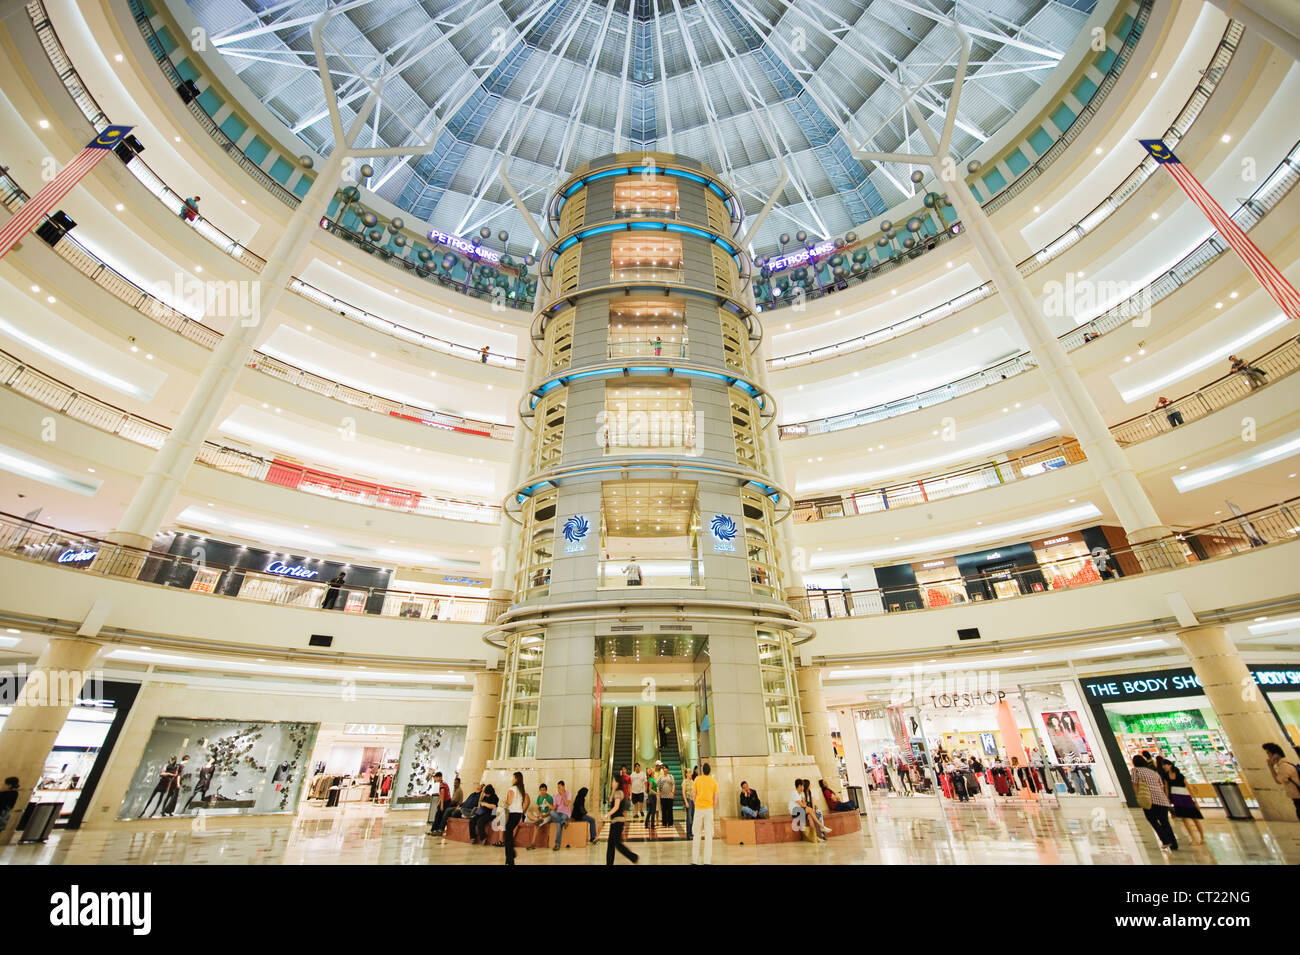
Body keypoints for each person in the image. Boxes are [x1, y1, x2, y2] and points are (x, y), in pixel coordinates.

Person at [1131, 755, 1177, 852]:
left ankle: (1165, 840)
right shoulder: (1153, 772)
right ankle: (1174, 844)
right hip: (1161, 799)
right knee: (1165, 821)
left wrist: (1138, 796)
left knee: (1152, 819)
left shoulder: (1136, 771)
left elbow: (1135, 784)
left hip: (1149, 799)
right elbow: (1161, 786)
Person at [1160, 759, 1204, 846]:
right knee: (1184, 819)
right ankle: (1194, 838)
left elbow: (1189, 787)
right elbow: (1167, 789)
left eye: (1166, 764)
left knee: (1195, 819)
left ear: (1170, 765)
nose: (1164, 766)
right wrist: (1167, 799)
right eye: (1163, 765)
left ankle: (1202, 838)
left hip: (1186, 797)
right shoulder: (1165, 777)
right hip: (1176, 799)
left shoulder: (1180, 775)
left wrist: (1195, 800)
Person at [604, 775, 639, 865]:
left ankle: (633, 857)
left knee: (617, 844)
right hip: (615, 821)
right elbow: (611, 800)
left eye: (613, 781)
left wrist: (606, 815)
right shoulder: (615, 792)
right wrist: (612, 789)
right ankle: (609, 863)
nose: (612, 783)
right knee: (611, 844)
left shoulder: (619, 793)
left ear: (617, 783)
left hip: (618, 821)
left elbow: (616, 807)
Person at [1263, 742, 1300, 821]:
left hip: (1298, 797)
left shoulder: (1283, 766)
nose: (1268, 756)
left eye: (1268, 753)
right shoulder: (1288, 763)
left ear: (1275, 755)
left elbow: (1278, 781)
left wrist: (1270, 767)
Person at [691, 763, 718, 865]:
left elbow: (693, 794)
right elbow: (716, 798)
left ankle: (694, 861)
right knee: (708, 834)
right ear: (710, 771)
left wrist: (696, 802)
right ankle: (707, 861)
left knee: (696, 833)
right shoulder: (713, 781)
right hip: (709, 809)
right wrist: (711, 807)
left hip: (698, 809)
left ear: (702, 770)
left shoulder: (697, 779)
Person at [502, 772, 529, 865]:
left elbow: (509, 802)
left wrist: (505, 800)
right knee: (509, 835)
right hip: (518, 814)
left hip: (512, 813)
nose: (511, 779)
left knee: (508, 836)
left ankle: (510, 858)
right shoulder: (521, 790)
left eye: (513, 777)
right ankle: (510, 856)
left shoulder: (512, 789)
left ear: (516, 779)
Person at [528, 782, 554, 849]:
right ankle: (537, 819)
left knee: (536, 825)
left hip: (547, 816)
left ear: (546, 790)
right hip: (540, 815)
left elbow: (550, 810)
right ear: (539, 790)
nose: (542, 792)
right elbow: (537, 808)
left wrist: (544, 815)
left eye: (544, 790)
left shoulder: (550, 798)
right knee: (528, 814)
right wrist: (539, 814)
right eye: (541, 790)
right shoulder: (539, 797)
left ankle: (533, 843)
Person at [549, 780, 572, 850]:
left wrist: (562, 795)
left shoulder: (568, 793)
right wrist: (548, 805)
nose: (558, 789)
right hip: (558, 814)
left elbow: (566, 804)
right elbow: (554, 808)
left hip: (565, 814)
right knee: (551, 812)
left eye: (560, 787)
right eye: (558, 788)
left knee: (558, 824)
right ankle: (564, 822)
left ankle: (557, 844)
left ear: (564, 787)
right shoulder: (556, 796)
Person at [683, 767, 696, 840]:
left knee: (693, 816)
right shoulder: (685, 781)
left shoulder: (692, 781)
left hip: (693, 800)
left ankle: (691, 832)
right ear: (686, 774)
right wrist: (686, 801)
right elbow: (683, 792)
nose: (690, 773)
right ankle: (688, 833)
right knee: (689, 817)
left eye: (691, 772)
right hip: (688, 799)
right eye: (689, 772)